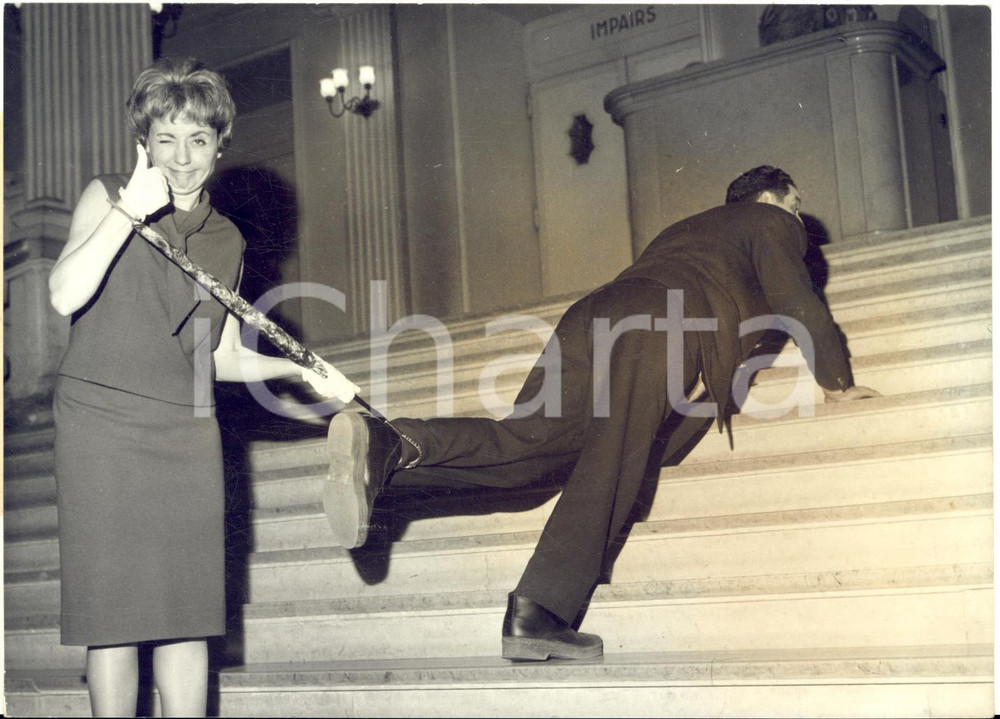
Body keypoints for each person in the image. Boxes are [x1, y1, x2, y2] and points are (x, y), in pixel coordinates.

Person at [323, 165, 880, 662]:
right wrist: (837, 383)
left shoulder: (685, 231)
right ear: (769, 199)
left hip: (593, 315)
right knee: (615, 454)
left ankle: (393, 446)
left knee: (530, 444)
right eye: (796, 205)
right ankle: (540, 607)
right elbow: (798, 301)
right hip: (662, 321)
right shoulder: (770, 223)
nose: (799, 219)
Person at [48, 56, 356, 717]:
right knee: (116, 614)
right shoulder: (107, 196)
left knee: (187, 612)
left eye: (198, 139)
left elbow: (212, 358)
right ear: (144, 143)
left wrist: (295, 369)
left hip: (184, 431)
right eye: (166, 138)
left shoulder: (226, 240)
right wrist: (130, 210)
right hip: (99, 425)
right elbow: (64, 292)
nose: (183, 158)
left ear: (220, 144)